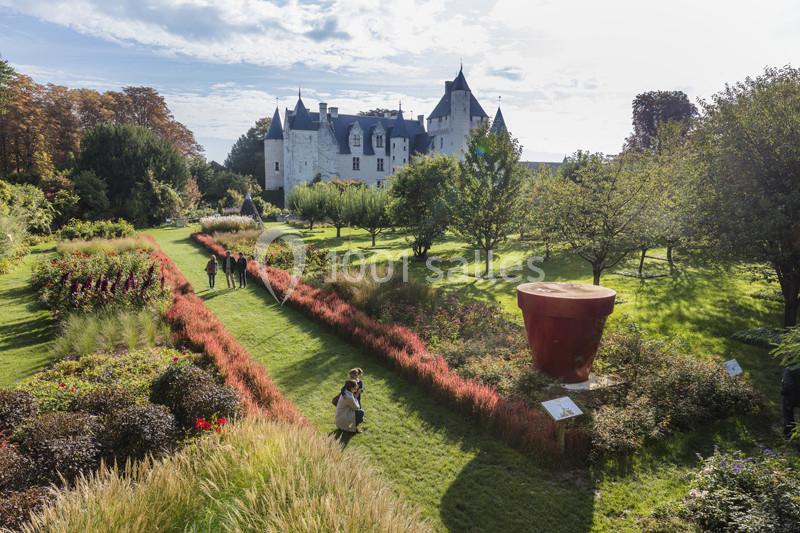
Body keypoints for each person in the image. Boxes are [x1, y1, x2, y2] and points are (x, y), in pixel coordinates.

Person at [781, 365, 800, 438]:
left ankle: (789, 433)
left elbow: (788, 385)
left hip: (792, 398)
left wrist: (783, 391)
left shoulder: (789, 369)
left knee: (787, 412)